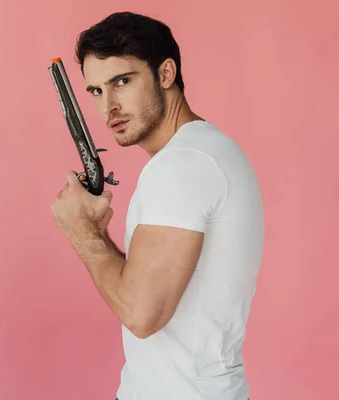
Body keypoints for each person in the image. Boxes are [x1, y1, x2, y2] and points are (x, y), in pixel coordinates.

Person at [50, 11, 264, 400]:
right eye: (96, 91)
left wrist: (80, 231)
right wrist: (96, 232)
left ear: (165, 74)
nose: (108, 105)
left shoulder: (184, 164)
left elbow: (141, 313)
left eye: (122, 81)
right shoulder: (200, 153)